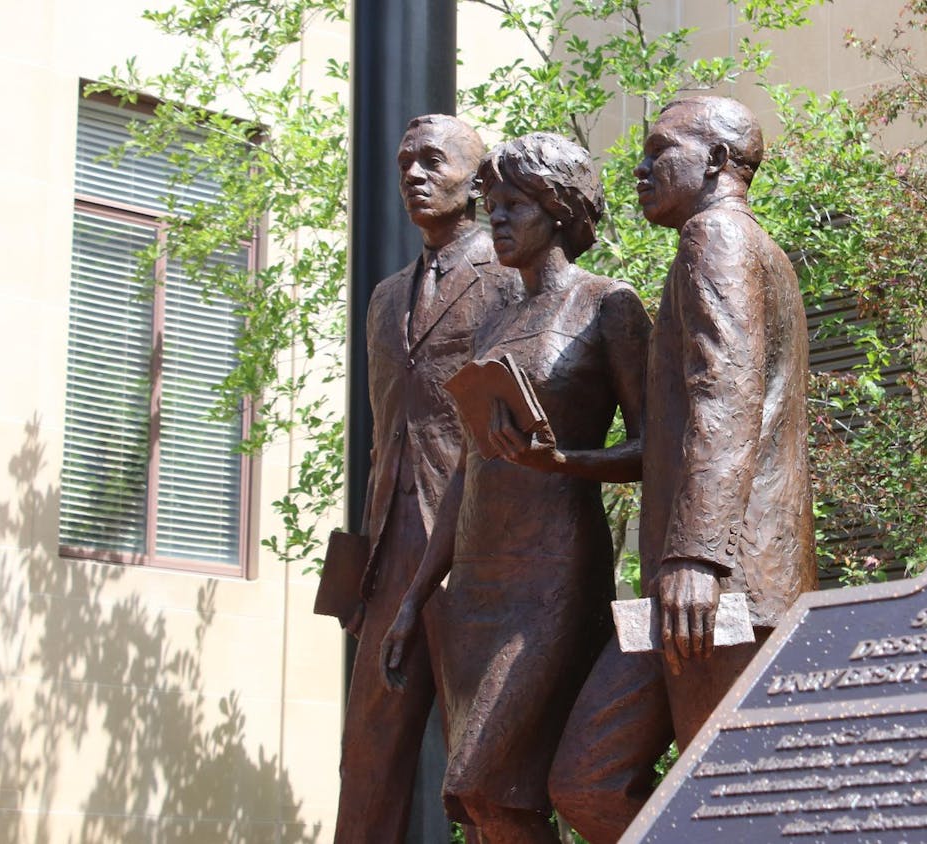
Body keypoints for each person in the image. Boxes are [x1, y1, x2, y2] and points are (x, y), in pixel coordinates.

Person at [548, 95, 818, 843]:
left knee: (729, 806)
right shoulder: (718, 245)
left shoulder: (718, 239)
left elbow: (724, 398)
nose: (639, 167)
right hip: (685, 587)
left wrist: (696, 555)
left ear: (720, 163)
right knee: (586, 779)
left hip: (722, 585)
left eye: (660, 149)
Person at [380, 132, 651, 843]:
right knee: (490, 801)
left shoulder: (608, 306)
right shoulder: (496, 319)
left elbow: (657, 446)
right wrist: (414, 599)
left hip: (552, 575)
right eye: (491, 205)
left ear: (559, 210)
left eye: (512, 207)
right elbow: (470, 465)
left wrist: (565, 462)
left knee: (481, 773)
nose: (494, 220)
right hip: (474, 581)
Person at [335, 114, 521, 844]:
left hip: (472, 549)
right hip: (389, 554)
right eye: (405, 161)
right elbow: (388, 436)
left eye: (433, 162)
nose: (413, 174)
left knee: (480, 769)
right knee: (367, 760)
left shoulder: (509, 280)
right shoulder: (384, 298)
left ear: (478, 182)